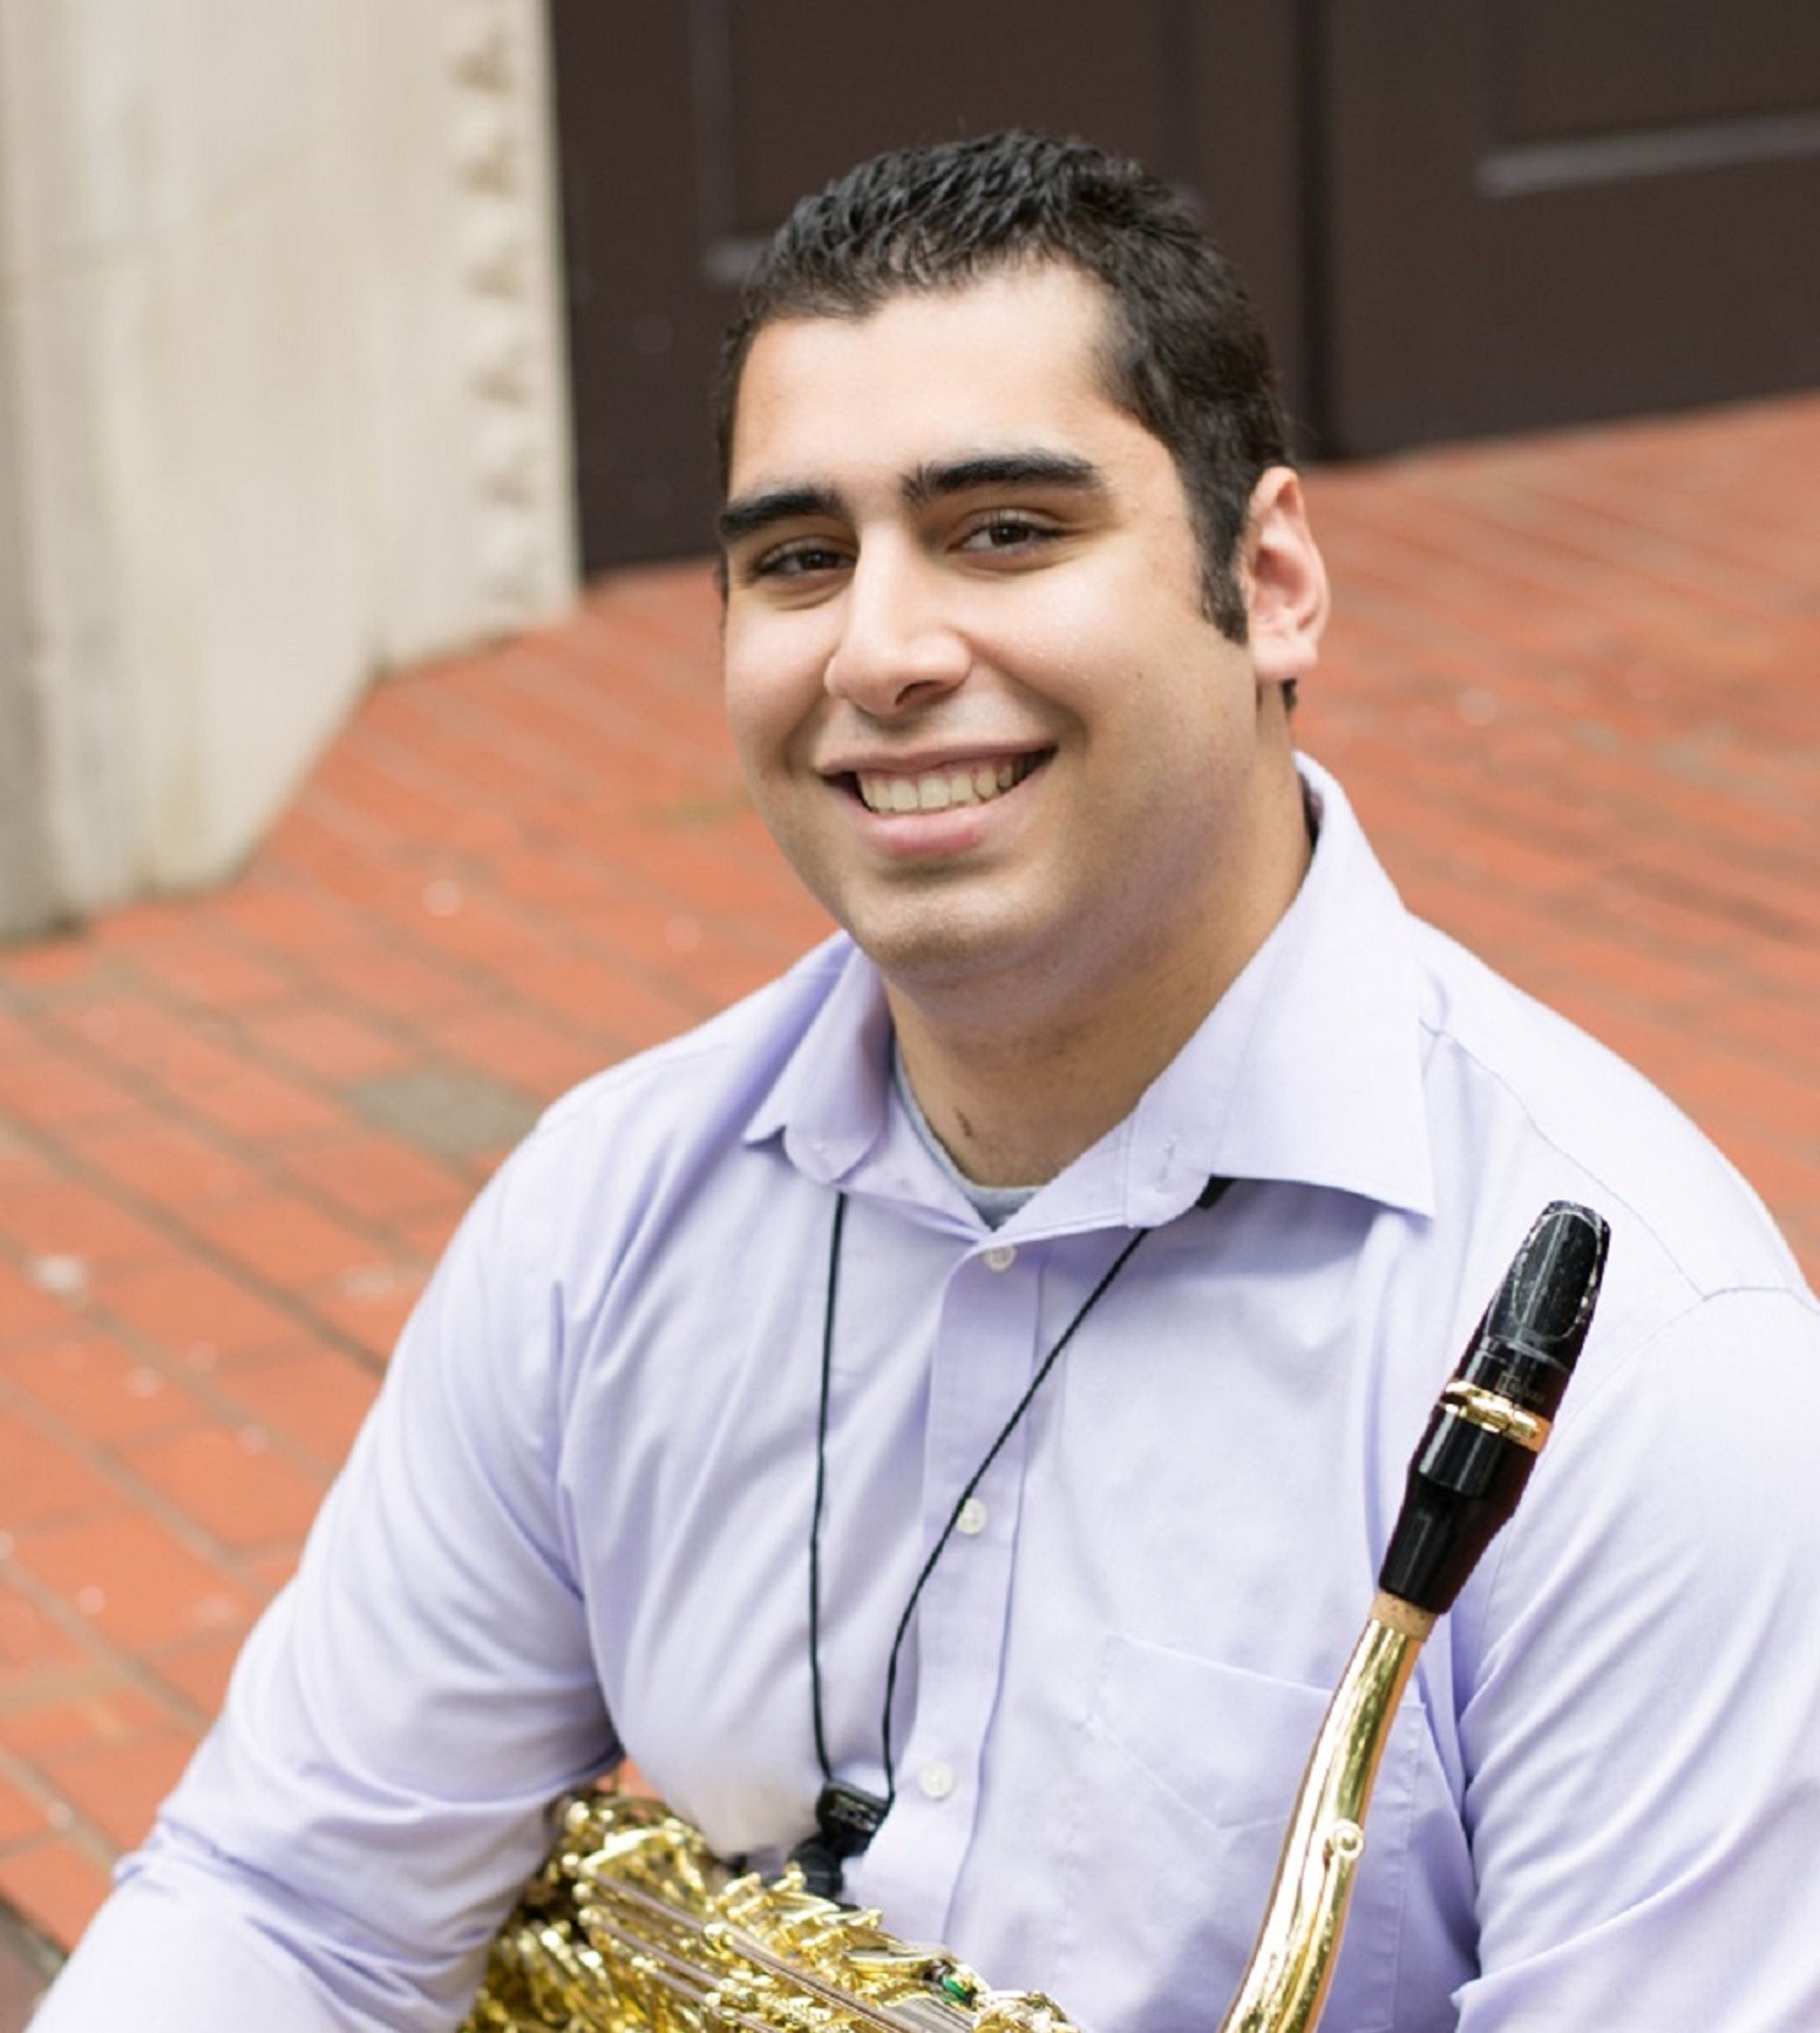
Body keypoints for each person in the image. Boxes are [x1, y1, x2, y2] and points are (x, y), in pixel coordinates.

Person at [35, 131, 1820, 2032]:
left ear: (1271, 579)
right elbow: (293, 1903)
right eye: (799, 560)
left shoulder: (1662, 1375)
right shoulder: (602, 1214)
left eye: (1005, 530)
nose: (879, 654)